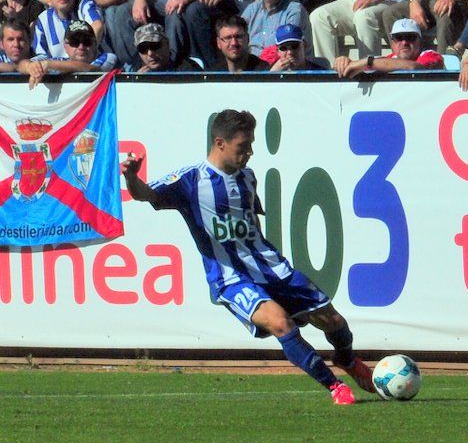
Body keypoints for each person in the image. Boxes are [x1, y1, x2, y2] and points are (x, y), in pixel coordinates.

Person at [120, 109, 376, 405]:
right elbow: (145, 195)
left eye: (251, 145)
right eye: (243, 147)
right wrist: (132, 177)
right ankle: (335, 387)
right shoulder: (189, 181)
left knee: (333, 321)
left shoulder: (248, 178)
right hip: (230, 278)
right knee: (281, 323)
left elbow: (250, 224)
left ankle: (347, 360)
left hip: (272, 269)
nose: (250, 153)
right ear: (220, 143)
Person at [309, 0, 415, 65]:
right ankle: (328, 72)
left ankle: (368, 70)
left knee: (364, 16)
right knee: (319, 16)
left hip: (395, 1)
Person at [123, 0, 206, 68]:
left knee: (173, 10)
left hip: (201, 0)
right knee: (124, 10)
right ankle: (132, 66)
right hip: (171, 0)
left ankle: (171, 62)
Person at [21, 19, 116, 87]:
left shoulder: (108, 57)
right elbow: (20, 65)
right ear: (65, 46)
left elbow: (91, 69)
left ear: (95, 44)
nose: (81, 47)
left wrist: (49, 64)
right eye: (75, 42)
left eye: (86, 41)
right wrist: (30, 67)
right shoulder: (59, 62)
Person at [334, 17, 443, 76]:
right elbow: (363, 69)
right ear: (392, 42)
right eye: (398, 37)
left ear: (421, 41)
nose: (404, 42)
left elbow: (414, 67)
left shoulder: (432, 55)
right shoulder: (390, 59)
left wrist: (369, 62)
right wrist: (345, 62)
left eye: (410, 37)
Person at [33, 0, 104, 58]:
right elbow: (40, 55)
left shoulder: (84, 4)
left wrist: (81, 57)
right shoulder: (43, 19)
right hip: (60, 69)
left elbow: (97, 26)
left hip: (94, 63)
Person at [132, 22, 203, 71]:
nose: (150, 53)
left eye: (154, 46)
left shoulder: (188, 70)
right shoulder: (134, 76)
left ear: (167, 44)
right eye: (143, 48)